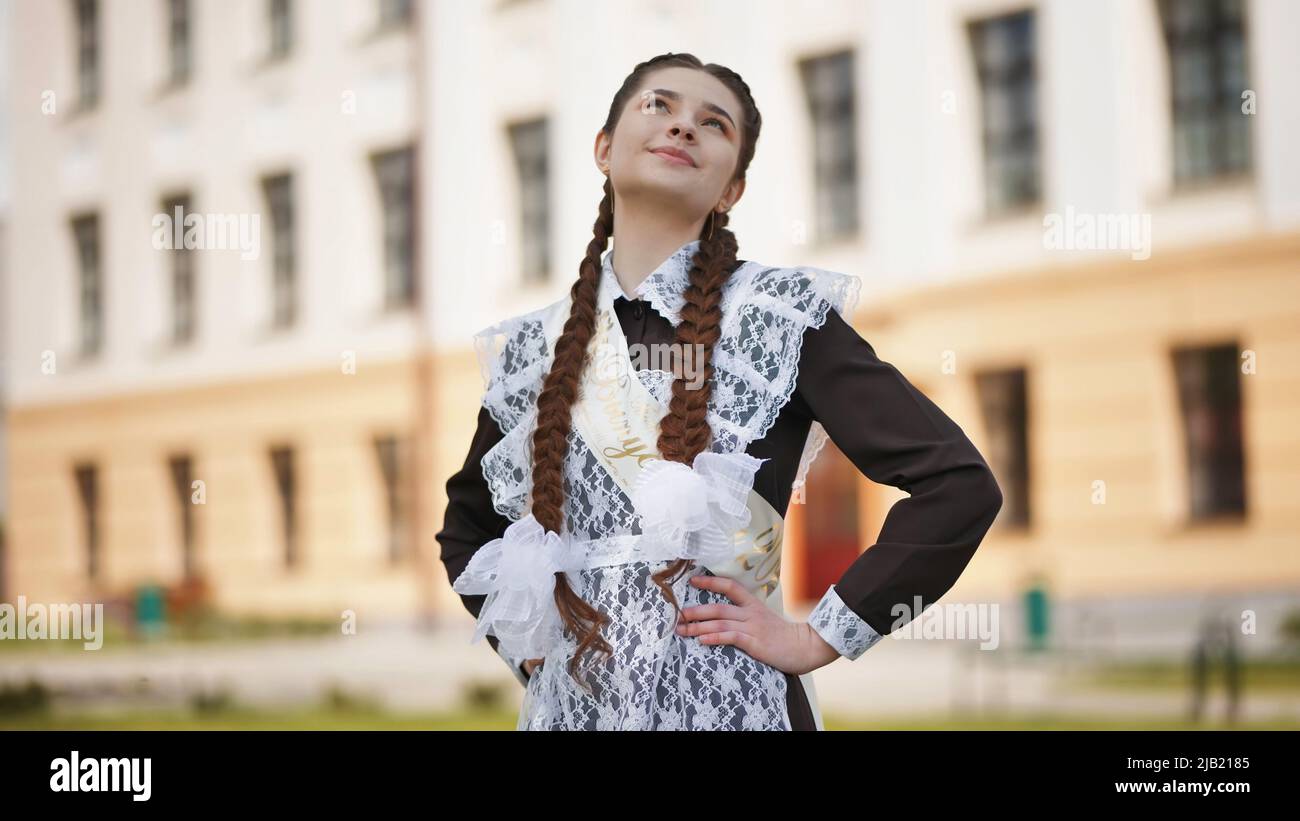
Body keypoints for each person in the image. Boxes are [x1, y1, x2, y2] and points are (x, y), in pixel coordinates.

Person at [436, 53, 1003, 730]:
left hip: (736, 707)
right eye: (659, 107)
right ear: (604, 148)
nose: (682, 128)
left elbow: (957, 483)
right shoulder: (533, 349)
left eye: (713, 123)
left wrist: (817, 636)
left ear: (732, 189)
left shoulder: (778, 317)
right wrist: (528, 651)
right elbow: (467, 530)